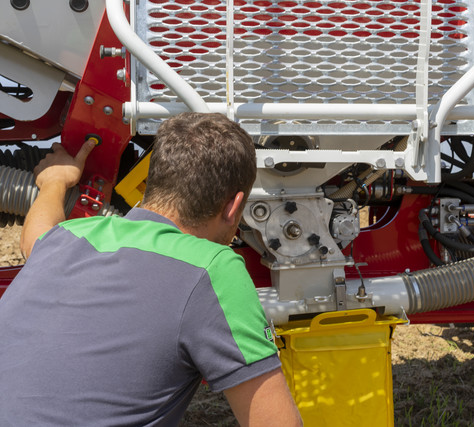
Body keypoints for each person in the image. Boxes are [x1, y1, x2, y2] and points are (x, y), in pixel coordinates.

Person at [0, 113, 302, 426]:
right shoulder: (211, 268)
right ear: (234, 205)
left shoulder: (71, 236)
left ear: (153, 181)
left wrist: (54, 183)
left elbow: (34, 235)